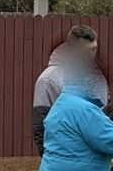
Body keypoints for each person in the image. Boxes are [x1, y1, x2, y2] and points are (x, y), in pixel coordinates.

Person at [31, 24, 105, 156]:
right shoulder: (49, 79)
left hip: (98, 159)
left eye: (93, 50)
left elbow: (107, 117)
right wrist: (52, 159)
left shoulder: (97, 78)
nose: (90, 56)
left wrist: (111, 156)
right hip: (66, 158)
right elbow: (41, 125)